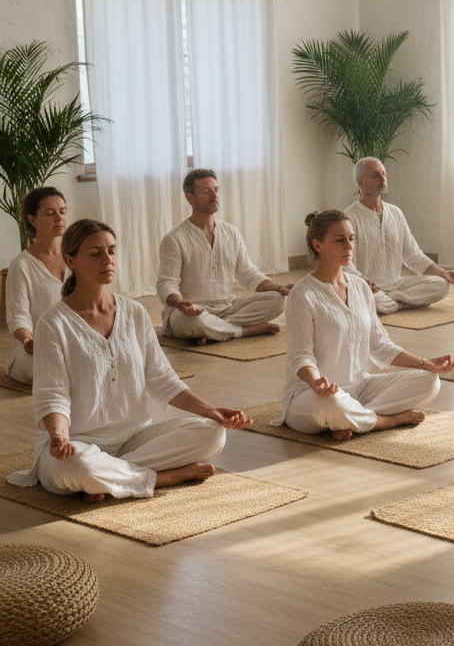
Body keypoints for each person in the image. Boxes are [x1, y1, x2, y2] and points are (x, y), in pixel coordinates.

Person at [6, 220, 251, 501]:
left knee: (213, 434)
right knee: (78, 466)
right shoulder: (53, 323)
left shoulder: (134, 312)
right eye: (95, 253)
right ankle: (161, 477)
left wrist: (211, 411)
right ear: (70, 261)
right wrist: (59, 436)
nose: (107, 260)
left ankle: (108, 480)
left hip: (135, 438)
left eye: (111, 251)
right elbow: (52, 395)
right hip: (78, 444)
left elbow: (162, 378)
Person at [273, 210, 454, 441]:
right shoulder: (303, 294)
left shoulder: (361, 287)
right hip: (313, 396)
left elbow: (381, 346)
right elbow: (300, 358)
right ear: (317, 245)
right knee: (333, 405)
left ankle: (353, 418)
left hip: (361, 389)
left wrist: (425, 363)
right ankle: (386, 420)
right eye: (339, 240)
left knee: (429, 380)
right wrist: (316, 384)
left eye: (351, 238)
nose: (349, 246)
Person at [157, 169, 292, 343]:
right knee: (194, 321)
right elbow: (166, 284)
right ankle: (245, 331)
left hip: (228, 307)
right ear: (190, 198)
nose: (214, 195)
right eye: (206, 191)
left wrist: (279, 287)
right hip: (191, 312)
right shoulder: (174, 238)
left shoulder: (231, 232)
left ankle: (216, 330)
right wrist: (181, 304)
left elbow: (248, 274)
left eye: (216, 189)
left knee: (278, 300)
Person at [344, 157, 454, 314]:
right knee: (364, 296)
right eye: (375, 175)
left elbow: (413, 255)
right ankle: (398, 303)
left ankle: (391, 305)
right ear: (360, 183)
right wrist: (365, 283)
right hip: (368, 287)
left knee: (441, 285)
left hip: (396, 285)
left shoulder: (396, 213)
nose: (383, 179)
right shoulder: (348, 217)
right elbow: (346, 264)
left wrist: (443, 273)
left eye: (384, 174)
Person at [4, 187, 67, 383]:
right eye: (50, 213)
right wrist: (27, 339)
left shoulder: (76, 257)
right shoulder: (21, 265)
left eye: (62, 211)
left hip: (72, 341)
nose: (59, 217)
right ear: (32, 220)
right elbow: (17, 314)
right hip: (35, 348)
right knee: (48, 363)